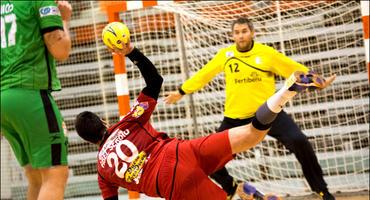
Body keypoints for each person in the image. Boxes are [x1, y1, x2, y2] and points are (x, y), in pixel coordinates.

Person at [74, 40, 335, 200]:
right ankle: (284, 92)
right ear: (105, 123)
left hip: (170, 182)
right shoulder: (127, 123)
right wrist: (131, 51)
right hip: (181, 150)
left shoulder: (102, 170)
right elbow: (155, 82)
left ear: (88, 142)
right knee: (252, 135)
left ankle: (238, 194)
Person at [164, 17, 336, 200]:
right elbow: (204, 74)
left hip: (270, 114)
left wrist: (317, 81)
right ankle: (231, 188)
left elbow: (292, 68)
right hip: (235, 118)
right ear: (232, 36)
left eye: (244, 31)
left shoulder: (267, 54)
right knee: (205, 158)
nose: (241, 36)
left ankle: (321, 190)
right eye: (237, 33)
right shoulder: (225, 55)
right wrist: (181, 91)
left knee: (300, 141)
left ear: (252, 33)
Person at [1, 1, 72, 200]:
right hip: (29, 93)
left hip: (4, 96)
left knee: (36, 178)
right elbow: (61, 51)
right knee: (56, 174)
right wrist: (64, 20)